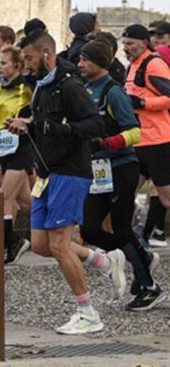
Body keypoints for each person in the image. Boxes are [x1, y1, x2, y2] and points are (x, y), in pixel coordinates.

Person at [8, 30, 106, 334]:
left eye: (28, 58)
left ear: (46, 54)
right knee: (40, 245)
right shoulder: (40, 86)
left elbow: (96, 124)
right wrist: (27, 127)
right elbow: (43, 126)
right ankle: (101, 260)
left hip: (70, 171)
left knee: (60, 245)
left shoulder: (70, 86)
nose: (25, 64)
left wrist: (50, 128)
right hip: (47, 174)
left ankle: (88, 312)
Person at [78, 40, 164, 311]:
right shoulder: (83, 90)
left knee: (122, 228)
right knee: (89, 228)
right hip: (98, 170)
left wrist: (105, 144)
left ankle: (150, 287)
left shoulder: (114, 93)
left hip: (122, 168)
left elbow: (134, 132)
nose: (80, 65)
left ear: (100, 64)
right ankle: (141, 256)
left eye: (85, 60)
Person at [0, 47, 33, 264]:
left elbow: (32, 113)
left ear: (17, 66)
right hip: (3, 148)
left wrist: (22, 120)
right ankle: (61, 222)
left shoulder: (27, 87)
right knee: (26, 202)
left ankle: (8, 243)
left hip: (22, 147)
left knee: (3, 197)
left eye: (3, 63)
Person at [123, 24, 170, 224]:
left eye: (130, 44)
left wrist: (142, 103)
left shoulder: (154, 64)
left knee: (166, 198)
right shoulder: (132, 65)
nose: (125, 48)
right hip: (137, 140)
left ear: (143, 43)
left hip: (157, 141)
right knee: (125, 193)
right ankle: (128, 242)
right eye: (124, 44)